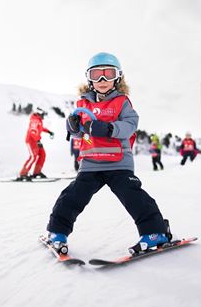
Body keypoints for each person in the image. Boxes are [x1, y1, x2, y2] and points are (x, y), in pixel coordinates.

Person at [46, 52, 170, 255]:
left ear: (117, 77)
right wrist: (73, 127)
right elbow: (78, 134)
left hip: (118, 163)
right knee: (72, 197)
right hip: (91, 163)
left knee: (134, 196)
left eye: (108, 74)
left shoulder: (122, 102)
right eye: (97, 75)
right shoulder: (83, 104)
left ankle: (155, 233)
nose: (102, 80)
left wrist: (110, 129)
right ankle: (57, 232)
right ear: (89, 78)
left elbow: (130, 124)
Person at [17, 108, 54, 181]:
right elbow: (32, 131)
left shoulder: (38, 120)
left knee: (42, 154)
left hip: (36, 140)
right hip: (31, 141)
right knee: (33, 157)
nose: (43, 116)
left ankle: (36, 172)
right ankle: (23, 174)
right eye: (43, 114)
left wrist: (49, 131)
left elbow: (40, 128)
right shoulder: (34, 120)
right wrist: (37, 141)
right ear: (39, 114)